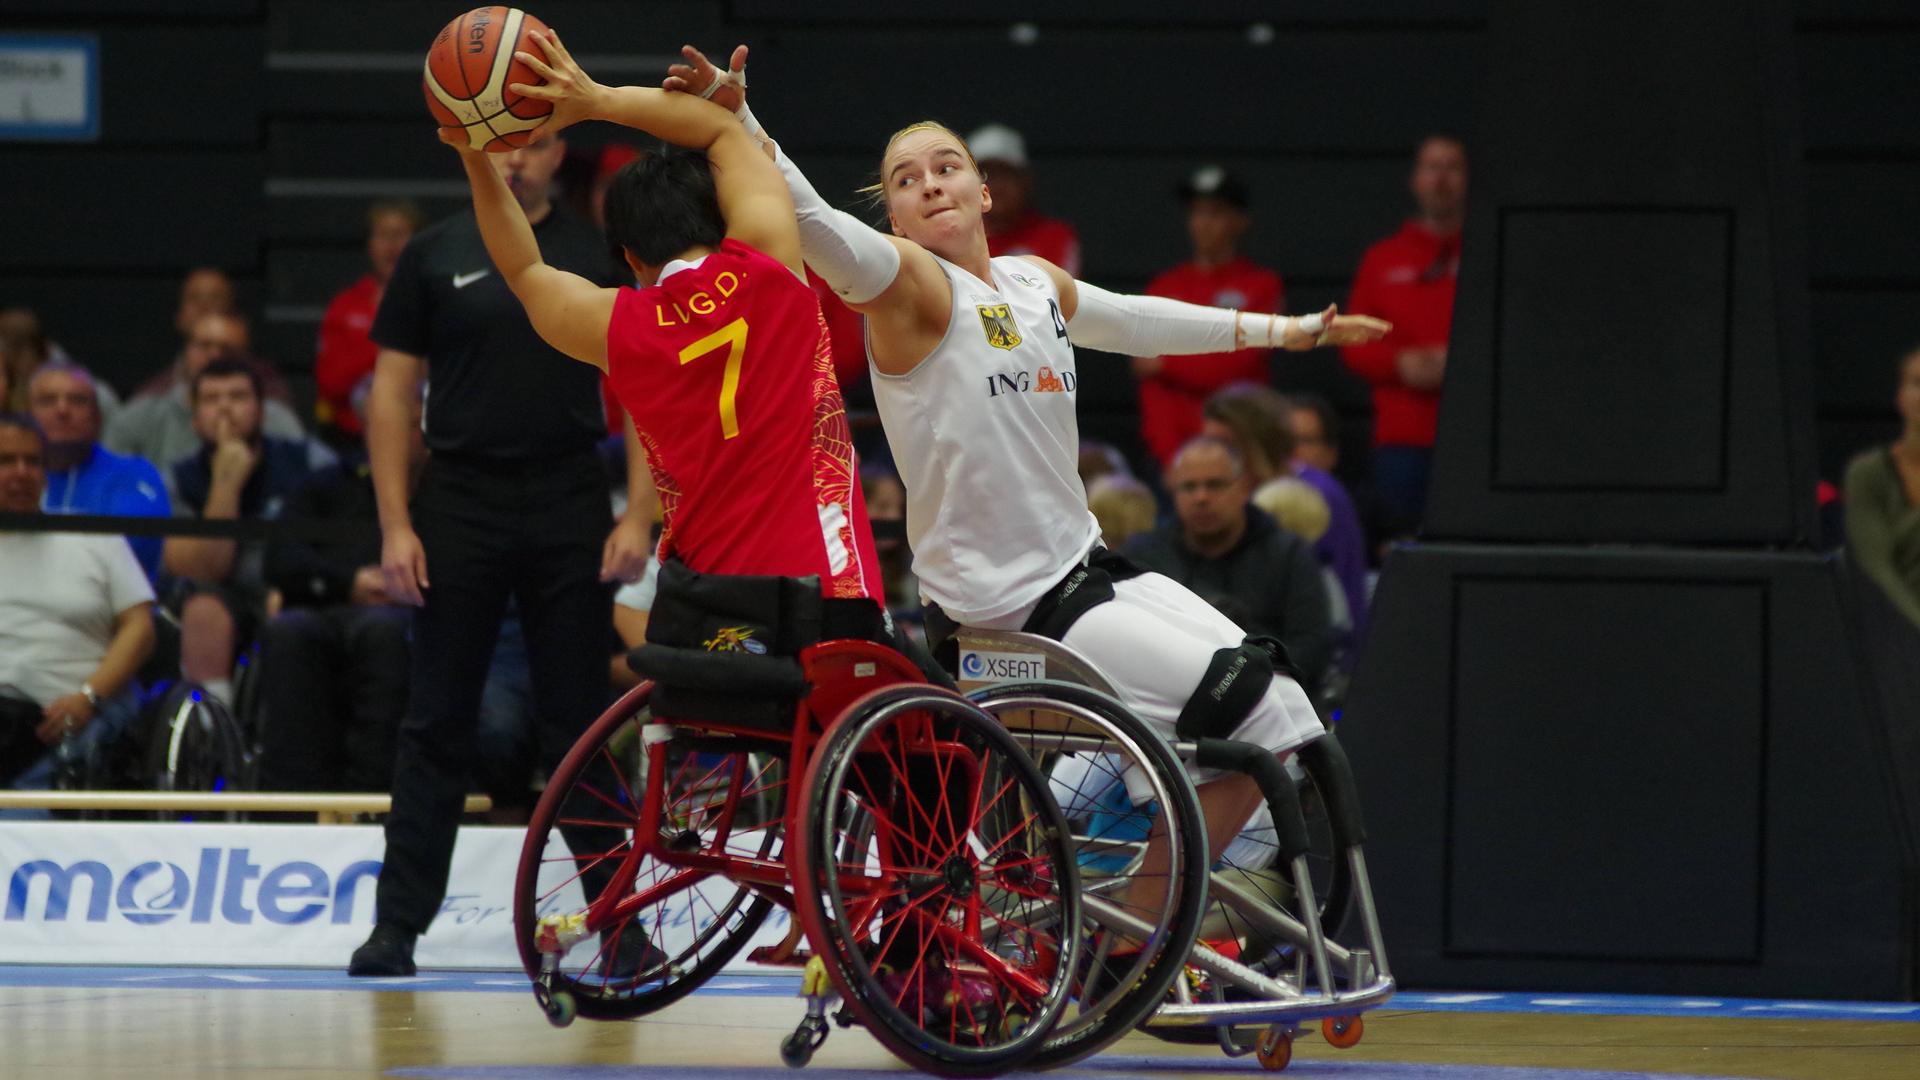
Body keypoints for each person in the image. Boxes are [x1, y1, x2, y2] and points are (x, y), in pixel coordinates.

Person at [660, 44, 1388, 917]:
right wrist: (740, 121)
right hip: (1008, 614)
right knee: (1262, 717)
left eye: (947, 166)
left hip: (1090, 574)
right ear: (891, 216)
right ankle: (1136, 943)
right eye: (905, 178)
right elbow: (811, 219)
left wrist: (1289, 332)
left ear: (985, 192)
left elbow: (1133, 319)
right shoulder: (910, 291)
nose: (929, 183)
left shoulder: (1030, 280)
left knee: (1286, 707)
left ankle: (1140, 920)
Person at [349, 30, 881, 977]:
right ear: (714, 222)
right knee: (924, 739)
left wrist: (478, 153)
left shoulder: (617, 323)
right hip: (827, 594)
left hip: (707, 623)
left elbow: (521, 271)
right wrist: (591, 97)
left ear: (628, 253)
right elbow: (727, 137)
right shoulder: (768, 265)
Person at [0, 415, 156, 814]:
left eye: (31, 462)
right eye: (6, 461)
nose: (21, 473)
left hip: (67, 724)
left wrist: (88, 698)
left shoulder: (90, 533)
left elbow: (140, 627)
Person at [164, 359, 338, 705]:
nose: (225, 408)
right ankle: (213, 730)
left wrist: (294, 585)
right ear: (195, 418)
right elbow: (203, 568)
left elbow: (336, 545)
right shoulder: (178, 478)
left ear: (260, 412)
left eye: (238, 396)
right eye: (212, 400)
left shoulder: (309, 461)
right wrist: (226, 484)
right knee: (203, 611)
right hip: (222, 593)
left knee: (292, 615)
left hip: (296, 585)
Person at [1124, 437, 1335, 696]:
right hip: (1169, 703)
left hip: (1270, 702)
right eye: (1189, 487)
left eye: (1215, 485)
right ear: (1173, 493)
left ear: (1243, 488)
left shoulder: (1288, 554)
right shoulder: (1144, 557)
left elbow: (1312, 647)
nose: (1201, 497)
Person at [1341, 134, 1468, 536]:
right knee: (1400, 546)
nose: (1441, 179)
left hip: (1474, 437)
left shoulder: (1489, 253)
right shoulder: (1383, 258)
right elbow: (1352, 340)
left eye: (1452, 167)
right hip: (1402, 435)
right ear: (1415, 179)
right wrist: (1400, 362)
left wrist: (1462, 362)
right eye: (1432, 167)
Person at [1132, 166, 1284, 467]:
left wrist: (1167, 359)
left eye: (1215, 213)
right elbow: (1144, 370)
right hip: (1171, 454)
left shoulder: (1262, 285)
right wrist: (1169, 455)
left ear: (1241, 221)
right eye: (1197, 213)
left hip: (1242, 452)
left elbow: (1238, 362)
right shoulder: (1164, 286)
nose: (1204, 223)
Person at [1202, 383, 1368, 653]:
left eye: (1226, 445)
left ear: (1259, 443)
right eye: (1208, 443)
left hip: (1321, 656)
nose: (1213, 455)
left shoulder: (1309, 493)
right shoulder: (1231, 493)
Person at [105, 311, 309, 474]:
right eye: (204, 345)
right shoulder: (140, 416)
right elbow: (110, 482)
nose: (214, 355)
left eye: (227, 349)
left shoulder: (279, 420)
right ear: (186, 351)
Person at [27, 362, 172, 581]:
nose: (62, 410)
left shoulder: (133, 473)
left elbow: (133, 548)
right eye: (48, 401)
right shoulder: (13, 477)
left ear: (97, 417)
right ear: (26, 415)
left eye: (77, 400)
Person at [314, 200, 425, 444]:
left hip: (422, 431)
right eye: (382, 235)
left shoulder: (437, 301)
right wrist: (388, 348)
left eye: (399, 235)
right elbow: (331, 383)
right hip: (351, 435)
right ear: (369, 244)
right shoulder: (345, 305)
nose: (391, 246)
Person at [1844, 346, 1920, 628]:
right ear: (1901, 396)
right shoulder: (1869, 473)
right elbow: (1875, 570)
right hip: (1895, 636)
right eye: (1918, 383)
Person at [966, 123, 1081, 275]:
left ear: (1026, 180)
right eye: (986, 174)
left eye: (1006, 173)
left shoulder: (1054, 237)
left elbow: (1056, 295)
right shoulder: (951, 238)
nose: (996, 184)